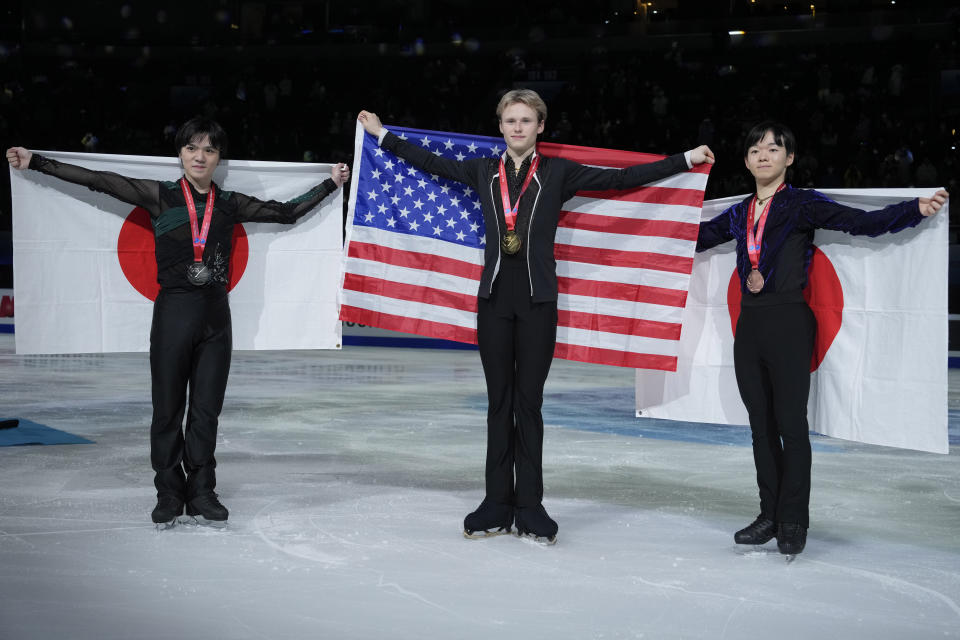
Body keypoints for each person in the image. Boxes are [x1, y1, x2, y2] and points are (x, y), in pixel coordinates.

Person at [358, 89, 715, 543]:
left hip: (538, 304)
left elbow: (622, 179)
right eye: (510, 121)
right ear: (501, 126)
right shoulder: (482, 170)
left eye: (526, 120)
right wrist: (381, 134)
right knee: (498, 404)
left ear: (540, 126)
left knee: (528, 404)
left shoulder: (558, 172)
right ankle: (495, 502)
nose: (518, 128)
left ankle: (529, 504)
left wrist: (684, 159)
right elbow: (427, 161)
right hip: (492, 302)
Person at [6, 117, 350, 527]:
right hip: (172, 315)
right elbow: (98, 180)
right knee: (167, 411)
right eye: (192, 148)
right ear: (180, 154)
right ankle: (169, 492)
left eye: (208, 149)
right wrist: (37, 162)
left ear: (219, 157)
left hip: (215, 320)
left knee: (206, 412)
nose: (199, 156)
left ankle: (202, 491)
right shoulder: (160, 196)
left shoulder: (230, 203)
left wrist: (330, 183)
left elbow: (286, 213)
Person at [696, 121, 948, 555]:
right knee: (760, 427)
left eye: (773, 149)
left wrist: (913, 208)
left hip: (790, 322)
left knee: (791, 426)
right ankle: (769, 514)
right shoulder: (739, 213)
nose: (763, 155)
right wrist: (649, 217)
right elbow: (695, 238)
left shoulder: (801, 204)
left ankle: (793, 519)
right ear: (746, 160)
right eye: (755, 149)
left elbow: (862, 224)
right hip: (750, 325)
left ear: (789, 158)